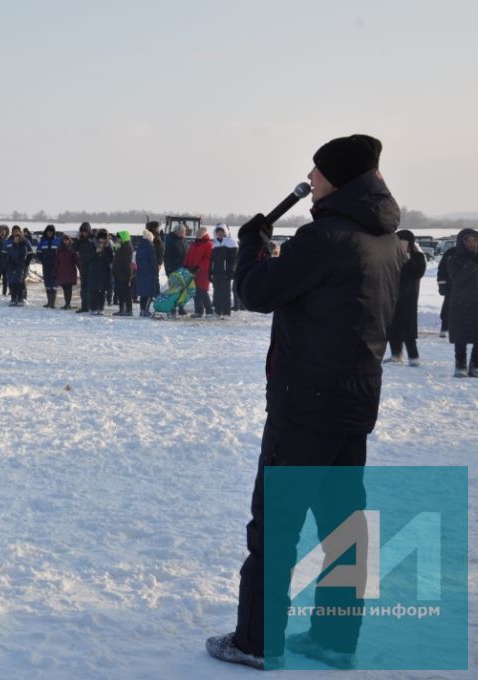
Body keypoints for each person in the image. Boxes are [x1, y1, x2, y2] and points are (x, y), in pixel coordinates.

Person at [207, 134, 403, 670]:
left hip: (305, 409)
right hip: (352, 405)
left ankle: (256, 641)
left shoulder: (327, 237)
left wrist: (252, 245)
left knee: (275, 526)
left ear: (337, 178)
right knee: (344, 529)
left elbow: (257, 293)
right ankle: (334, 640)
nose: (310, 180)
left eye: (317, 173)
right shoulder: (384, 239)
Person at [384, 230, 427, 366]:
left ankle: (413, 357)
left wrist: (405, 260)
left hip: (409, 296)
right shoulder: (390, 256)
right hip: (392, 296)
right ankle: (396, 354)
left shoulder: (418, 257)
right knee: (392, 327)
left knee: (408, 329)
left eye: (405, 243)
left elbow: (416, 273)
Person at [446, 227, 478, 377]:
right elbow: (457, 280)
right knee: (461, 336)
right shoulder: (454, 259)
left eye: (474, 240)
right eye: (468, 240)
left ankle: (475, 365)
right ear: (462, 242)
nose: (472, 244)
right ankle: (460, 365)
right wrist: (471, 265)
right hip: (461, 302)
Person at [183, 226, 213, 318]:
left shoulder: (208, 245)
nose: (197, 236)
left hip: (202, 272)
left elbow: (207, 259)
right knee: (195, 292)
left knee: (203, 291)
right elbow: (188, 256)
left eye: (199, 234)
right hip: (192, 272)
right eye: (197, 234)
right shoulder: (194, 244)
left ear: (204, 235)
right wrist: (186, 265)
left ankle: (209, 311)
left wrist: (198, 267)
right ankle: (198, 311)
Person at [210, 224, 237, 318]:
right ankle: (218, 310)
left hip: (226, 272)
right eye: (218, 232)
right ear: (216, 233)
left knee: (226, 292)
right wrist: (210, 272)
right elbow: (211, 260)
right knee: (217, 291)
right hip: (216, 272)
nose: (220, 234)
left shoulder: (231, 243)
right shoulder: (214, 244)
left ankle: (226, 312)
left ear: (225, 232)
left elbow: (233, 260)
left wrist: (230, 271)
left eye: (222, 232)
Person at [134, 227, 158, 316]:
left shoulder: (139, 248)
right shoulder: (150, 248)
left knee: (143, 294)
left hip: (141, 273)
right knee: (149, 294)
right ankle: (146, 310)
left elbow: (136, 260)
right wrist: (156, 271)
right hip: (149, 274)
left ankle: (142, 310)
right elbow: (154, 262)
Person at [89, 230, 113, 315]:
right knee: (94, 291)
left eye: (103, 239)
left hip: (104, 272)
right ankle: (93, 308)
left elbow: (110, 259)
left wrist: (103, 253)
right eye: (100, 239)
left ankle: (101, 308)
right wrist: (96, 252)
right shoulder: (92, 245)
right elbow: (88, 258)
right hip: (94, 272)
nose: (102, 241)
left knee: (102, 292)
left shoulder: (108, 247)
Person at [37, 225, 61, 308]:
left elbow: (62, 252)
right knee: (47, 282)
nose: (49, 233)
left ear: (53, 232)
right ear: (46, 232)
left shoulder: (58, 241)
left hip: (55, 266)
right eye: (48, 231)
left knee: (54, 283)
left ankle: (52, 303)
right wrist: (43, 260)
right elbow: (38, 252)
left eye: (51, 231)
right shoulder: (42, 241)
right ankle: (48, 302)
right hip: (46, 265)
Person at [54, 235, 79, 309]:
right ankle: (67, 303)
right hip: (61, 272)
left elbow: (77, 261)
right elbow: (56, 262)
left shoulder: (72, 250)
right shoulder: (59, 250)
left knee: (69, 288)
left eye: (67, 240)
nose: (66, 241)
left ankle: (68, 304)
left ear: (69, 240)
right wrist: (54, 272)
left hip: (70, 272)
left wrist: (81, 269)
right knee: (65, 288)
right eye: (64, 240)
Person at [75, 222, 95, 313]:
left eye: (85, 232)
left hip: (91, 266)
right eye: (82, 232)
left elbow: (97, 251)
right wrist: (78, 239)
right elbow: (74, 248)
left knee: (90, 288)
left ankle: (90, 306)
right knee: (83, 288)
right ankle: (84, 306)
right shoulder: (81, 240)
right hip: (83, 266)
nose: (84, 234)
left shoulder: (93, 239)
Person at [436, 241, 455, 338]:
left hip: (472, 289)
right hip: (452, 287)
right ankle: (444, 329)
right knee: (448, 307)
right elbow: (442, 269)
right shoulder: (451, 252)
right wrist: (442, 284)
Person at [5, 231, 29, 307]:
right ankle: (13, 298)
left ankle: (20, 298)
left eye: (17, 238)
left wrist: (17, 263)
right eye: (15, 239)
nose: (16, 240)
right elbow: (9, 255)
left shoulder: (23, 247)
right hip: (11, 268)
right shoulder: (11, 247)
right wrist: (9, 262)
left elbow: (23, 257)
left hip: (20, 267)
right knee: (12, 283)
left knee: (19, 283)